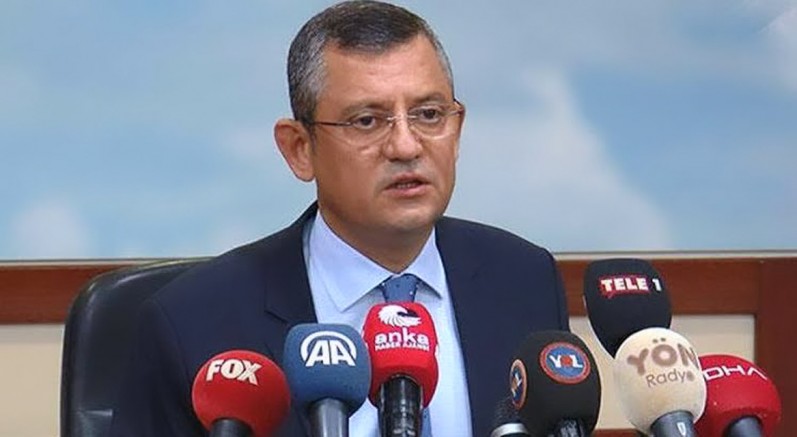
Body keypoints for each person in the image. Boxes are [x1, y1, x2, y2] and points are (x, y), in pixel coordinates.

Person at [110, 1, 569, 436]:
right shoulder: (193, 322)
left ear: (457, 129)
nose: (406, 146)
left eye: (429, 115)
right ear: (299, 148)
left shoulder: (524, 281)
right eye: (367, 121)